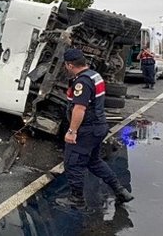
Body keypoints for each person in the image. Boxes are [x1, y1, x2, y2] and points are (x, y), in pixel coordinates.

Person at [55, 48, 134, 210]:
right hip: (99, 127)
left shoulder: (82, 82)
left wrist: (72, 131)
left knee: (73, 163)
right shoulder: (94, 75)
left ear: (70, 65)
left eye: (66, 66)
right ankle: (120, 190)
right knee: (94, 161)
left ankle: (77, 199)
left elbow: (79, 109)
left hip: (86, 130)